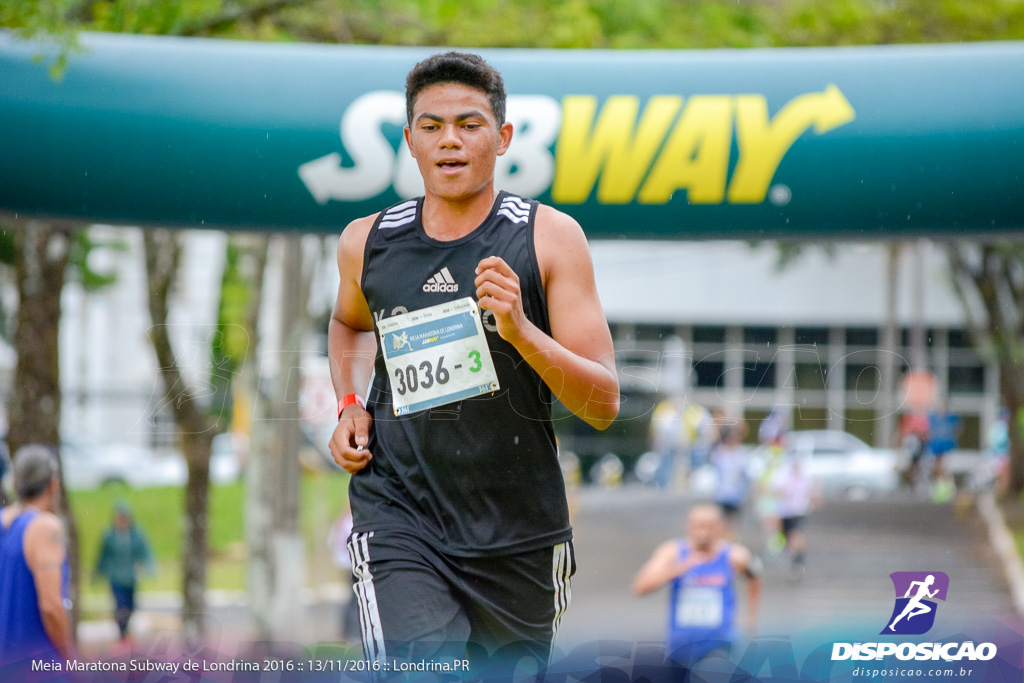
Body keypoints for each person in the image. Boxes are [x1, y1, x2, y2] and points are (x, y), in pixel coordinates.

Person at [326, 52, 619, 674]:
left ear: (503, 137)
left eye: (469, 124)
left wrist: (519, 330)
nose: (449, 141)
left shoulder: (549, 238)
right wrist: (350, 405)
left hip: (519, 534)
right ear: (409, 141)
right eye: (430, 127)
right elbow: (349, 325)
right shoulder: (367, 242)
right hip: (400, 513)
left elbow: (602, 405)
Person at [633, 504, 761, 668]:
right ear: (689, 526)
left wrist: (751, 616)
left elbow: (755, 575)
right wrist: (678, 569)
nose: (704, 532)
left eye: (710, 526)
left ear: (720, 527)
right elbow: (639, 587)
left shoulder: (734, 555)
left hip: (720, 642)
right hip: (682, 643)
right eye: (699, 526)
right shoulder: (672, 552)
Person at [0, 446, 75, 671]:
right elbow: (51, 606)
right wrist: (71, 660)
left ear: (15, 485)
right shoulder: (45, 526)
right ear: (53, 485)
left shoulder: (5, 524)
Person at [94, 501, 154, 644]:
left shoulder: (136, 534)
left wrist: (149, 567)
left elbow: (144, 552)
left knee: (131, 605)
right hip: (115, 577)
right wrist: (98, 573)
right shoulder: (109, 535)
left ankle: (125, 630)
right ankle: (122, 634)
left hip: (130, 577)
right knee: (120, 605)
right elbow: (103, 556)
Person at [710, 425, 749, 537]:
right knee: (724, 522)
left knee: (734, 523)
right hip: (723, 493)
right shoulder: (720, 453)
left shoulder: (741, 452)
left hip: (737, 494)